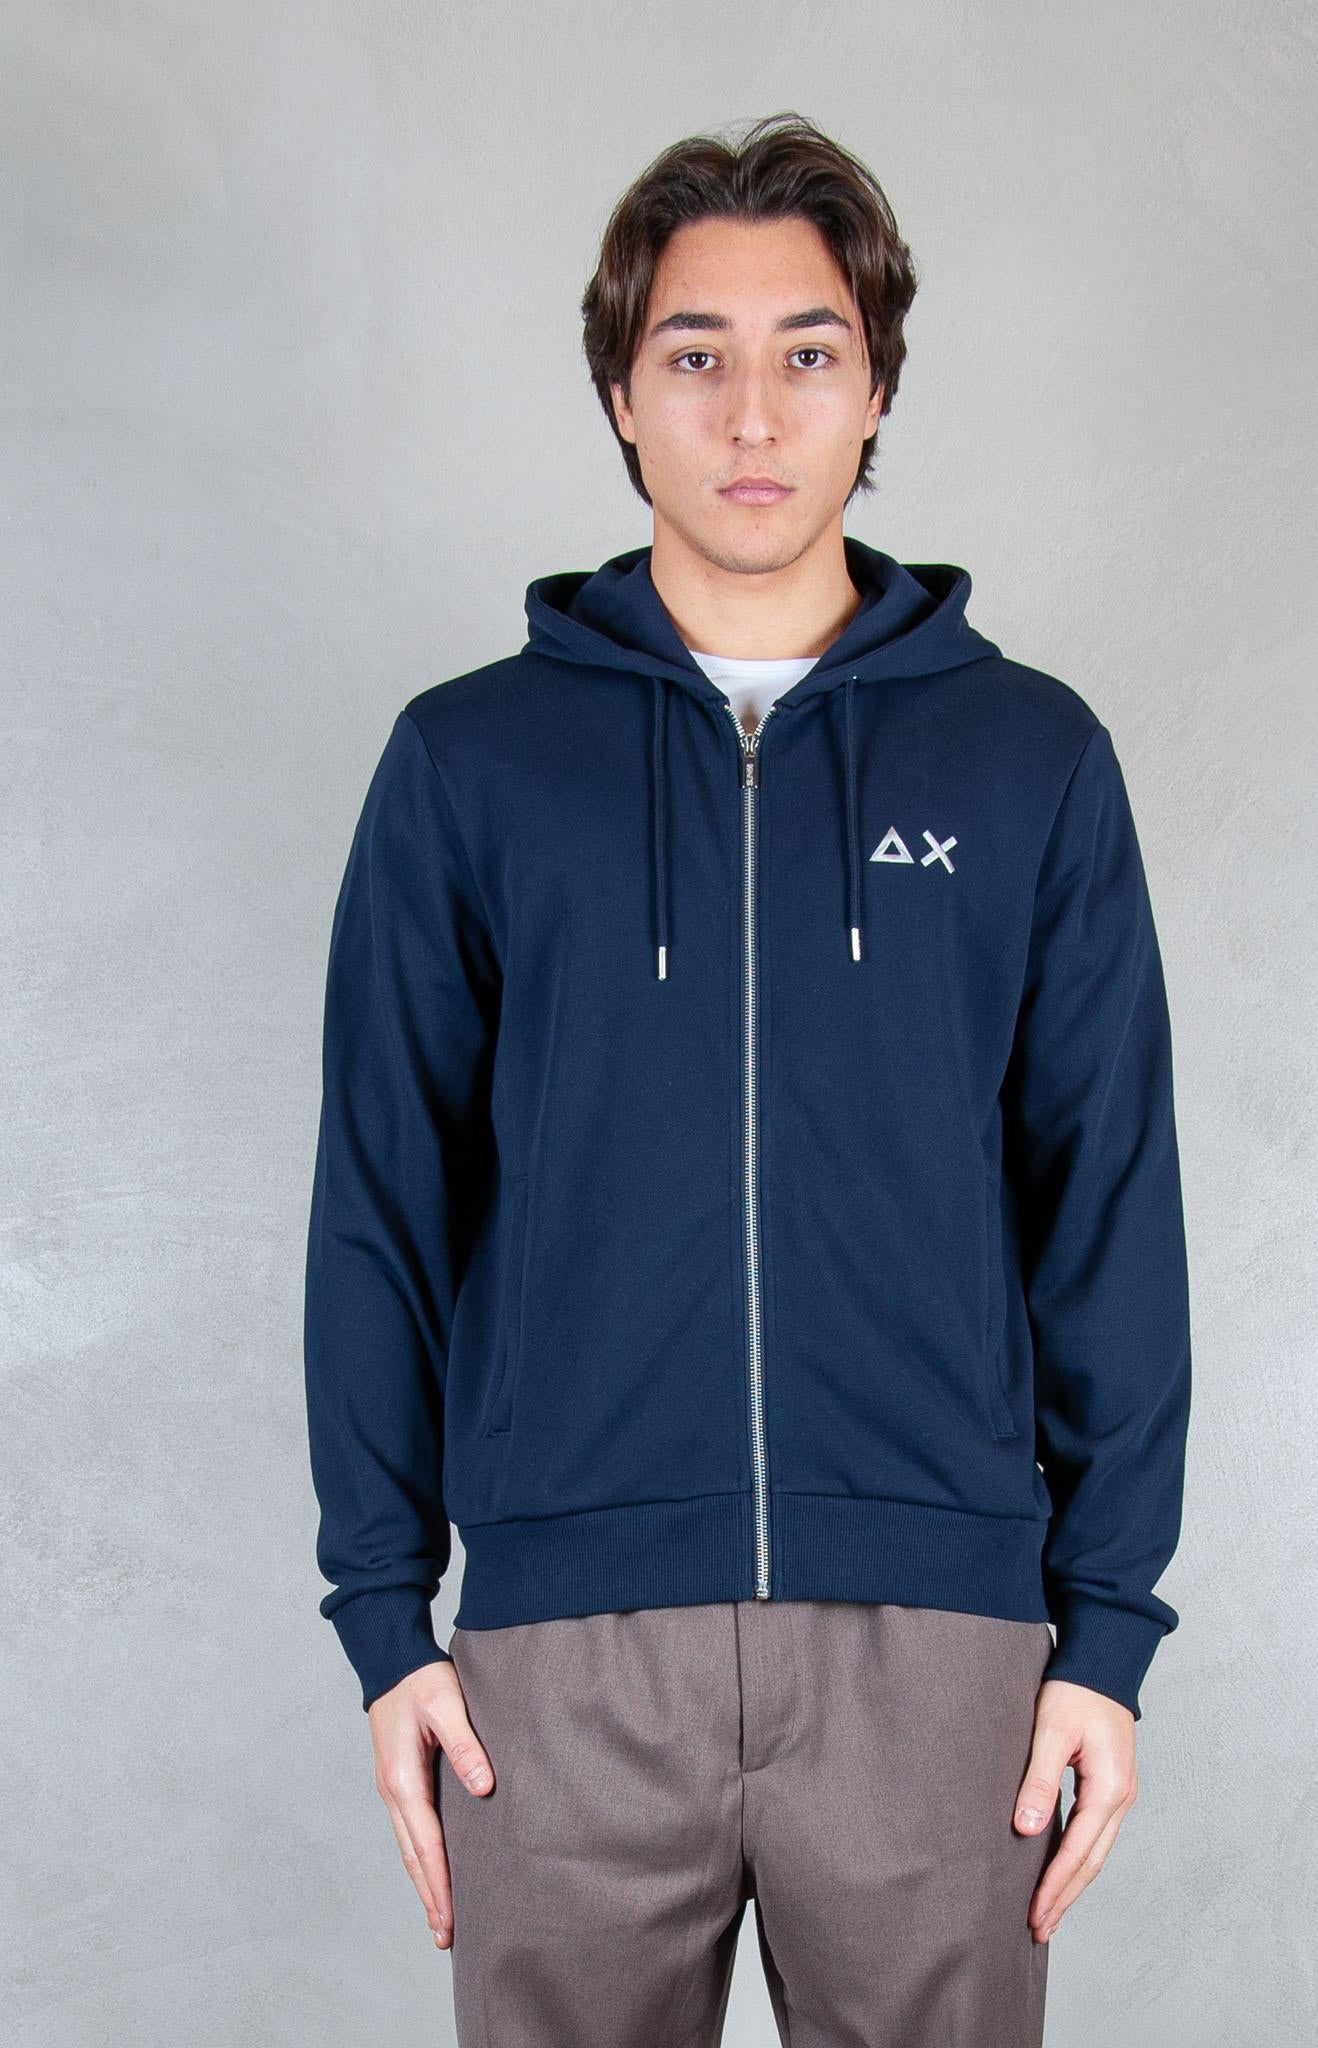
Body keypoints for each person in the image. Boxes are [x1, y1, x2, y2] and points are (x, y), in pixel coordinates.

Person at [303, 110, 1193, 2048]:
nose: (753, 411)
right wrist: (383, 1616)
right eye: (693, 353)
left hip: (935, 1650)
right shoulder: (468, 764)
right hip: (558, 1650)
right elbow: (382, 1205)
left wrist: (1105, 1633)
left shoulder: (1027, 760)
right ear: (621, 397)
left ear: (875, 388)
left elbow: (1104, 1204)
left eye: (808, 351)